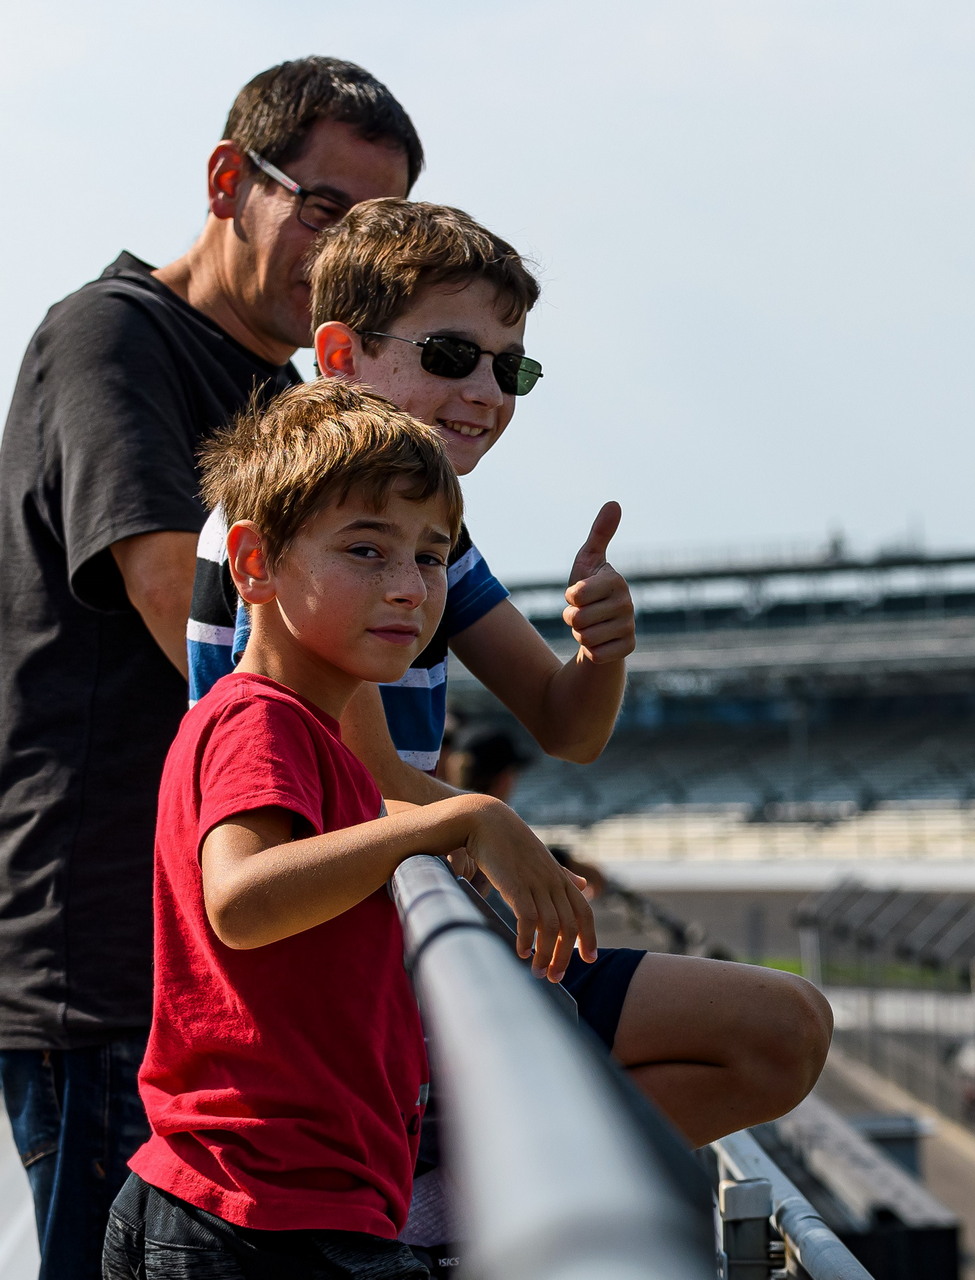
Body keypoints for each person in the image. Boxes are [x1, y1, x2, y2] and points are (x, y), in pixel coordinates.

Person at [186, 198, 833, 1146]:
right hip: (334, 961)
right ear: (339, 357)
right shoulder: (306, 535)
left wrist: (601, 648)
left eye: (511, 367)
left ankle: (465, 1170)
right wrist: (492, 831)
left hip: (383, 934)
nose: (487, 391)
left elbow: (569, 726)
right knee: (773, 1033)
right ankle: (460, 1172)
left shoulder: (424, 542)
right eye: (451, 355)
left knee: (782, 1033)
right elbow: (367, 788)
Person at [0, 57, 419, 1279]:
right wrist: (419, 813)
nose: (347, 257)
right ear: (231, 180)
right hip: (104, 961)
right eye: (329, 212)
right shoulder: (111, 336)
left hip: (212, 965)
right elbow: (190, 616)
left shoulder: (280, 390)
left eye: (378, 233)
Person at [104, 380, 594, 1279]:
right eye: (367, 550)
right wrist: (460, 816)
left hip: (264, 1202)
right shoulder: (262, 722)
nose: (409, 587)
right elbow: (244, 898)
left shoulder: (307, 729)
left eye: (432, 556)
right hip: (260, 1214)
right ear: (253, 566)